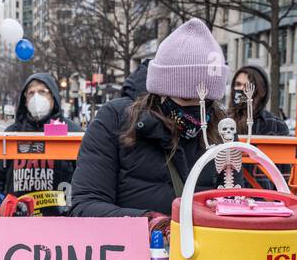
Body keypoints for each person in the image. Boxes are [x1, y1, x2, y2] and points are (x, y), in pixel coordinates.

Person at [70, 18, 226, 218]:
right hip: (135, 247)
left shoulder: (222, 130)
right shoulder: (115, 121)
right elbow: (85, 206)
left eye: (208, 100)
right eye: (187, 96)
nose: (197, 108)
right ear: (161, 90)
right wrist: (149, 222)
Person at [0, 72, 81, 216]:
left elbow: (86, 179)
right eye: (31, 93)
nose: (37, 97)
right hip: (17, 219)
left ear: (53, 96)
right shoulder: (12, 133)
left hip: (60, 221)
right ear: (25, 99)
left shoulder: (73, 132)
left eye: (42, 92)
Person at [229, 65, 287, 136]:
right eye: (238, 84)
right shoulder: (221, 119)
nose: (241, 89)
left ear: (260, 91)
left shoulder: (276, 125)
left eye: (247, 86)